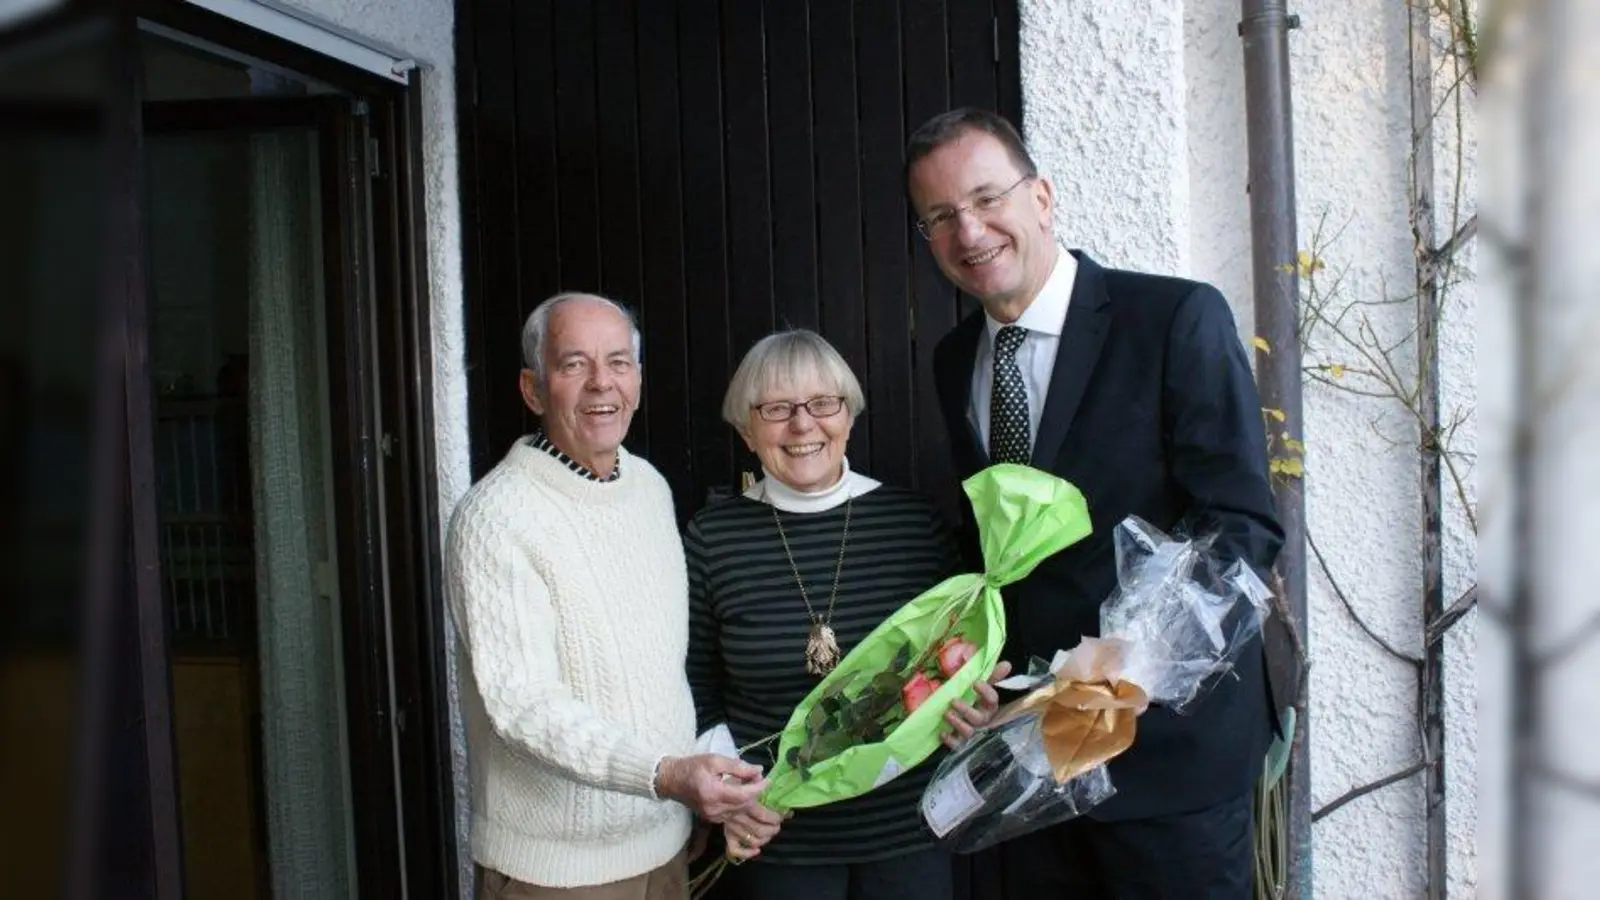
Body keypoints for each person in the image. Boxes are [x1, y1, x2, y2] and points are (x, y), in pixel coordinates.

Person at [907, 108, 1286, 899]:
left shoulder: (1175, 318)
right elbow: (995, 555)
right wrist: (967, 677)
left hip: (1169, 762)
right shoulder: (954, 363)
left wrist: (1124, 669)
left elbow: (1242, 526)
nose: (969, 232)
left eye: (986, 199)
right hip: (1027, 765)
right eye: (941, 218)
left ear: (1041, 197)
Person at [446, 292, 782, 899]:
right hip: (558, 874)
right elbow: (523, 704)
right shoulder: (494, 518)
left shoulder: (649, 487)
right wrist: (666, 777)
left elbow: (658, 671)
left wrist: (687, 799)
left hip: (666, 844)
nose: (602, 383)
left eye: (618, 362)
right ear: (532, 389)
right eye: (574, 364)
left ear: (638, 379)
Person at [684, 329, 1007, 900]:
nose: (803, 425)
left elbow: (954, 662)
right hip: (777, 836)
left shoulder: (913, 525)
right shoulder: (713, 538)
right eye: (777, 409)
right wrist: (731, 797)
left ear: (848, 416)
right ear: (745, 428)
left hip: (906, 831)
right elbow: (694, 684)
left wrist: (973, 711)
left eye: (822, 404)